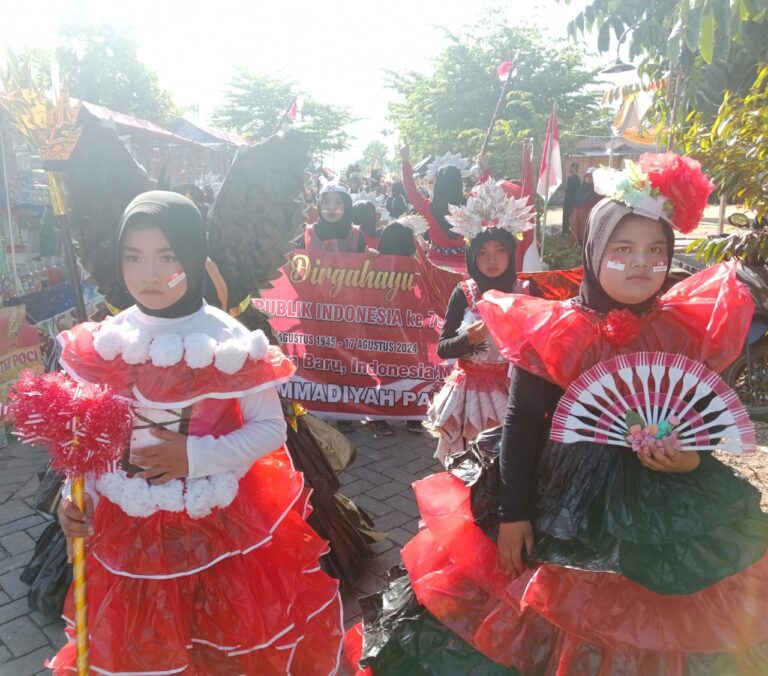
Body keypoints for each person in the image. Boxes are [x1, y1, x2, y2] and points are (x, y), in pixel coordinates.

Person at [344, 154, 768, 674]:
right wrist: (513, 514)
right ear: (594, 252)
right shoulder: (556, 331)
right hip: (566, 504)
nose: (642, 263)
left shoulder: (684, 329)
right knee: (551, 623)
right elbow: (521, 429)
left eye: (656, 251)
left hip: (674, 508)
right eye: (624, 249)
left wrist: (691, 459)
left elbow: (703, 409)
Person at [51, 191, 343, 674]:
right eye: (133, 257)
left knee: (220, 649)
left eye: (167, 257)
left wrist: (193, 456)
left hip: (219, 526)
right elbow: (87, 437)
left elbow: (270, 428)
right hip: (126, 531)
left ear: (192, 255)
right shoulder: (104, 341)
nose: (148, 274)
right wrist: (73, 495)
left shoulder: (227, 339)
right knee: (139, 647)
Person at [427, 180, 534, 465]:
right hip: (469, 393)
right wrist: (469, 340)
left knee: (510, 463)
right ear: (472, 255)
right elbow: (443, 348)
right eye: (483, 252)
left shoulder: (527, 291)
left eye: (500, 250)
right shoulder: (464, 292)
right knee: (469, 465)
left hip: (515, 391)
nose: (492, 260)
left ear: (511, 252)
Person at [400, 145, 475, 272]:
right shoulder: (470, 205)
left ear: (437, 184)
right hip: (466, 268)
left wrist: (405, 161)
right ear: (458, 183)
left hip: (435, 268)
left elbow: (411, 191)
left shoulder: (429, 208)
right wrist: (485, 170)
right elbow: (485, 191)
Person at [296, 184, 366, 253]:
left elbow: (365, 262)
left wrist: (370, 255)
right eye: (326, 202)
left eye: (338, 203)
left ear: (346, 207)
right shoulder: (309, 234)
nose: (332, 208)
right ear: (320, 205)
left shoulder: (356, 235)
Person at [569, 166, 601, 244]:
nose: (589, 178)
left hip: (589, 217)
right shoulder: (582, 188)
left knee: (587, 234)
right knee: (578, 234)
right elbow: (576, 202)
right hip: (578, 217)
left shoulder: (598, 191)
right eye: (587, 176)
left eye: (591, 176)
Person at [562, 162, 581, 235]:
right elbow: (567, 189)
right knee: (566, 214)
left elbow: (577, 190)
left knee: (571, 214)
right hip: (568, 199)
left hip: (573, 199)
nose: (571, 169)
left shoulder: (577, 178)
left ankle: (571, 229)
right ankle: (565, 229)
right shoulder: (570, 178)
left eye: (572, 167)